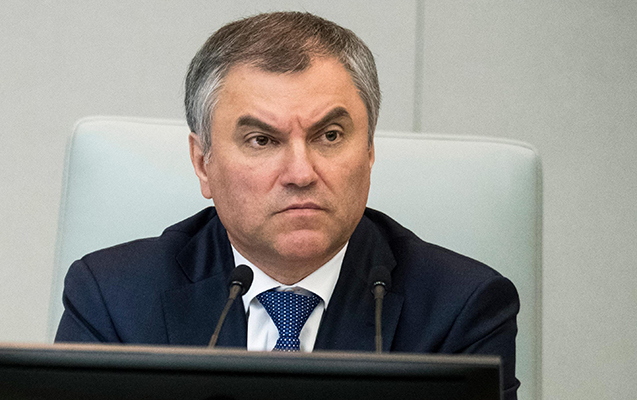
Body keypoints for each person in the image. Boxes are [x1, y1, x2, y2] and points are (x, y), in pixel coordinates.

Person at [55, 11, 520, 399]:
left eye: (330, 136)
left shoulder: (461, 309)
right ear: (202, 163)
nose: (301, 173)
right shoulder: (113, 300)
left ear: (370, 151)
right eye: (262, 140)